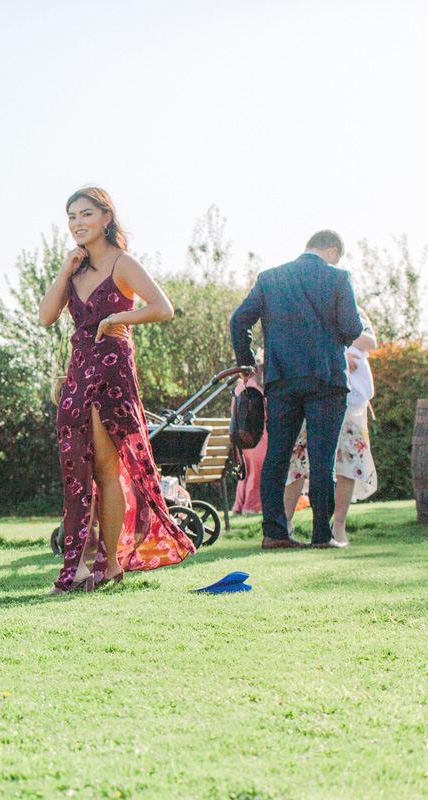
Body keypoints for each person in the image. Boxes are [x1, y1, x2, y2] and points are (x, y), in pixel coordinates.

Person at [36, 187, 194, 594]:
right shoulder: (75, 268)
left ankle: (106, 566)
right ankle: (81, 565)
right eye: (71, 217)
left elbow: (162, 307)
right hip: (78, 371)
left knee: (105, 470)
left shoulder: (123, 263)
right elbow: (45, 317)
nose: (77, 223)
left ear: (106, 218)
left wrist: (117, 318)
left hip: (112, 371)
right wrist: (64, 270)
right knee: (76, 471)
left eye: (85, 214)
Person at [231, 230, 364, 549]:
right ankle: (322, 535)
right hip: (326, 378)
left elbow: (239, 321)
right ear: (332, 251)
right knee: (322, 458)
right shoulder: (337, 277)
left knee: (277, 456)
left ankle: (274, 533)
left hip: (280, 379)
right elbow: (352, 329)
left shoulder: (270, 278)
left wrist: (247, 363)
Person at [283, 308, 378, 547]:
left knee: (348, 461)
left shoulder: (353, 310)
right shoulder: (310, 305)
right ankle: (284, 523)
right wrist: (338, 353)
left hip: (351, 402)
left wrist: (337, 342)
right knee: (300, 460)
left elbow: (370, 341)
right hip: (316, 393)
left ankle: (338, 526)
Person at [232, 357, 267, 516]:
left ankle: (239, 505)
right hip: (255, 435)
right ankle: (251, 506)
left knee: (245, 471)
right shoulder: (255, 391)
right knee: (257, 470)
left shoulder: (240, 389)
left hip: (241, 436)